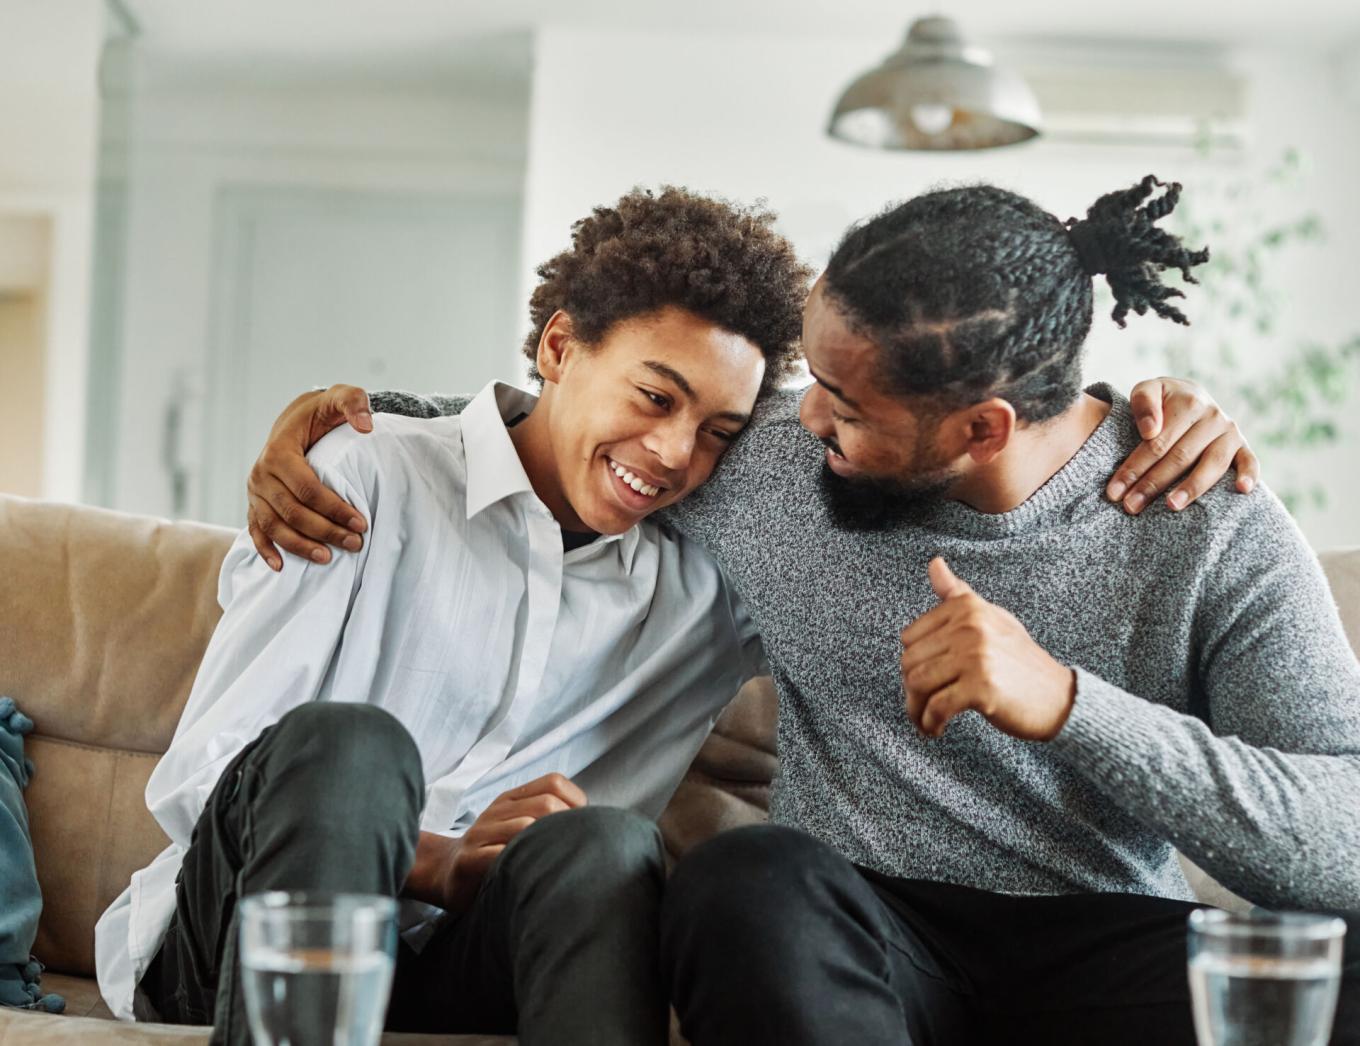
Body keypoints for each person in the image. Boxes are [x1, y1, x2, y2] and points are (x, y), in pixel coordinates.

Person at [250, 176, 1359, 1045]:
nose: (802, 421)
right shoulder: (773, 460)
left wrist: (1071, 703)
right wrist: (350, 421)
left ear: (980, 428)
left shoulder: (1207, 519)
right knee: (739, 878)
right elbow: (572, 426)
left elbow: (1343, 840)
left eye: (844, 404)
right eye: (811, 382)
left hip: (1103, 942)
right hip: (851, 933)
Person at [94, 187, 810, 1045]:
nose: (675, 453)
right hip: (244, 940)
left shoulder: (717, 589)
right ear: (559, 347)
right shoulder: (362, 477)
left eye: (719, 432)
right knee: (353, 746)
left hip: (462, 966)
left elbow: (862, 477)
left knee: (607, 845)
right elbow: (206, 773)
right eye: (656, 397)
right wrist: (437, 861)